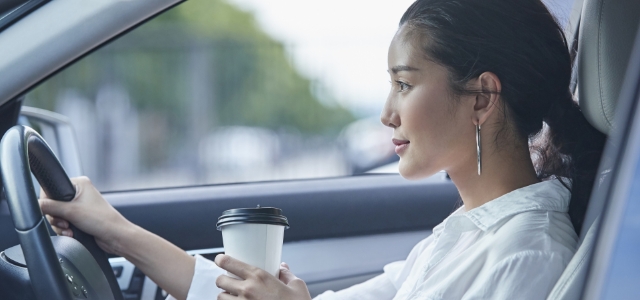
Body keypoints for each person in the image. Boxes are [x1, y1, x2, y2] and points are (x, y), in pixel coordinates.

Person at [39, 0, 608, 299]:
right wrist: (113, 229)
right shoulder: (468, 232)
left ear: (482, 98)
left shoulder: (526, 254)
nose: (387, 113)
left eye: (404, 85)